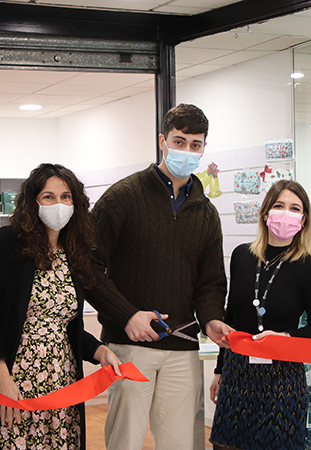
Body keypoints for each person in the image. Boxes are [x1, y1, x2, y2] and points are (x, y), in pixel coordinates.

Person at [85, 103, 232, 450]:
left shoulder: (206, 212)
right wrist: (127, 315)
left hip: (183, 348)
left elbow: (211, 281)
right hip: (130, 346)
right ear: (163, 141)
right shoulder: (122, 197)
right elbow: (87, 267)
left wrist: (211, 319)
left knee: (181, 444)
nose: (187, 151)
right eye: (179, 142)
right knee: (126, 442)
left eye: (195, 145)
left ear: (203, 149)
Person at [0, 163, 122, 450]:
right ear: (32, 202)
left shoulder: (74, 250)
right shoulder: (8, 242)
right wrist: (2, 377)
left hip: (62, 384)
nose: (58, 204)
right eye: (48, 197)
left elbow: (62, 325)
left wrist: (100, 350)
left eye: (66, 197)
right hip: (13, 378)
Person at [208, 179, 311, 450]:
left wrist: (285, 337)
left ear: (303, 219)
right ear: (265, 213)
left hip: (283, 378)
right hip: (237, 374)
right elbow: (231, 318)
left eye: (294, 208)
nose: (286, 213)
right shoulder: (241, 256)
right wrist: (219, 369)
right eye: (279, 205)